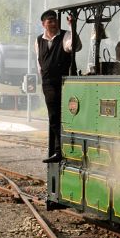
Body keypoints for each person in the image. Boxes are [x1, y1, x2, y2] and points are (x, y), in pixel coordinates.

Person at [36, 9, 82, 163]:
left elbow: (74, 47)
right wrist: (42, 77)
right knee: (54, 117)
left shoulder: (65, 35)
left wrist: (72, 28)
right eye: (50, 21)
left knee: (68, 115)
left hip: (64, 82)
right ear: (44, 24)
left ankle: (67, 148)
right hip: (48, 83)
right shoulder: (38, 40)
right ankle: (59, 151)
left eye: (55, 20)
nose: (54, 23)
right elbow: (39, 61)